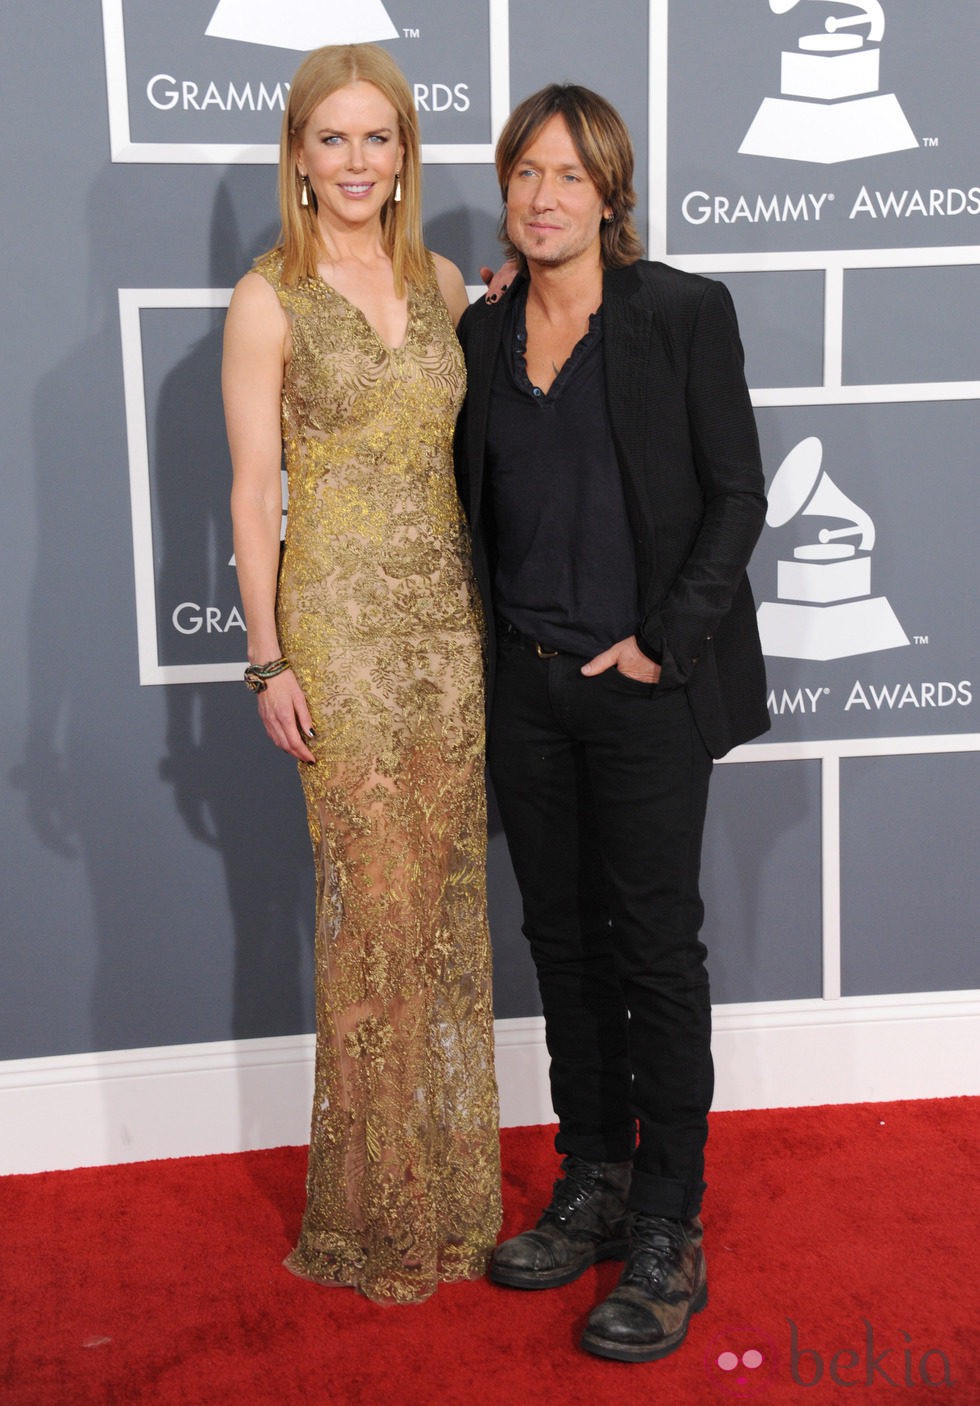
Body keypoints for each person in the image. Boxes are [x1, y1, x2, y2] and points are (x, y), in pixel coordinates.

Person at [454, 85, 769, 1362]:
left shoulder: (681, 314)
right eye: (524, 173)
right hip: (521, 687)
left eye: (567, 177)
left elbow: (736, 495)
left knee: (651, 951)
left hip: (638, 689)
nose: (541, 197)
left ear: (608, 193)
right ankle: (587, 1180)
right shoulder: (480, 332)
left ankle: (666, 1222)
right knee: (559, 944)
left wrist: (662, 645)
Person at [222, 43, 501, 1306]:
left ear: (402, 155)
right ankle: (371, 1211)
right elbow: (249, 490)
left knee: (441, 912)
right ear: (296, 156)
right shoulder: (266, 297)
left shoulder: (443, 278)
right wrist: (265, 654)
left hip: (447, 632)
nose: (353, 162)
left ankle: (449, 1193)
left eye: (374, 138)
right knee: (369, 924)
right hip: (336, 630)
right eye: (329, 140)